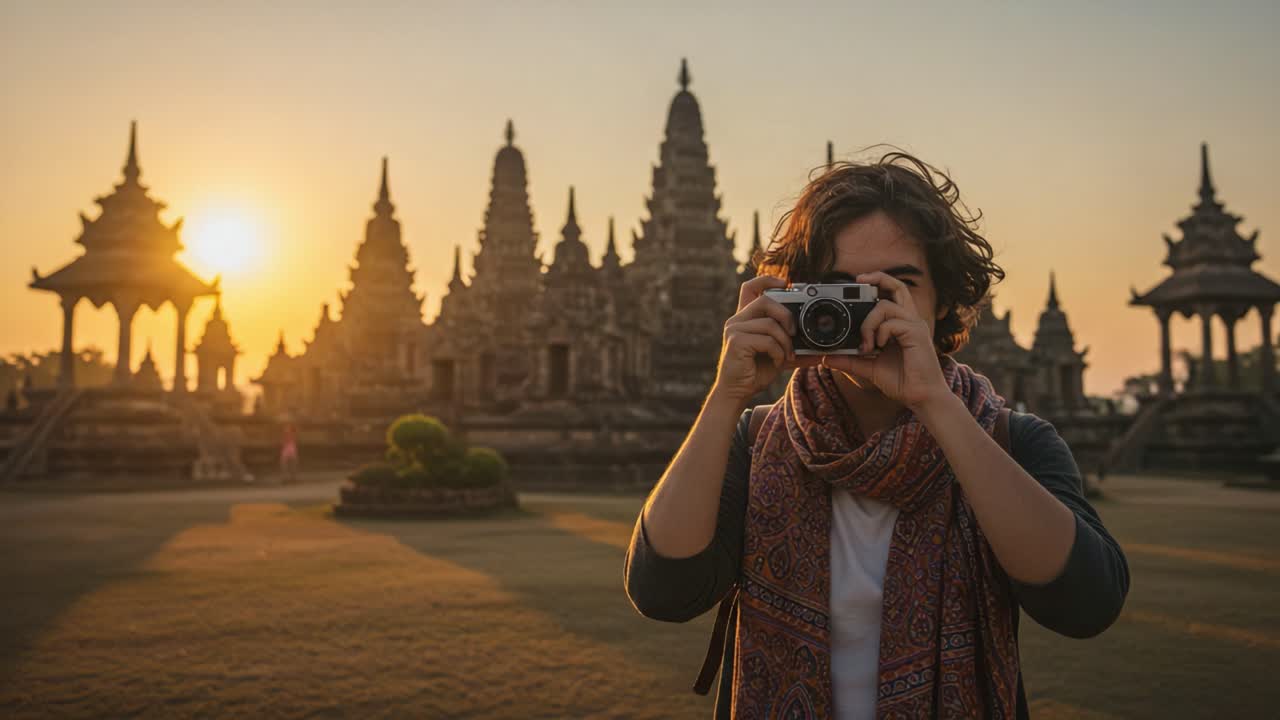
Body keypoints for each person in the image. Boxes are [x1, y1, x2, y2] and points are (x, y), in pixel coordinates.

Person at [624, 151, 1129, 719]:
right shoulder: (757, 440)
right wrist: (726, 396)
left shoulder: (1011, 440)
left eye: (897, 286)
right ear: (803, 303)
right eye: (840, 289)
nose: (866, 309)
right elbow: (661, 591)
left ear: (943, 303)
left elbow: (1087, 603)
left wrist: (933, 400)